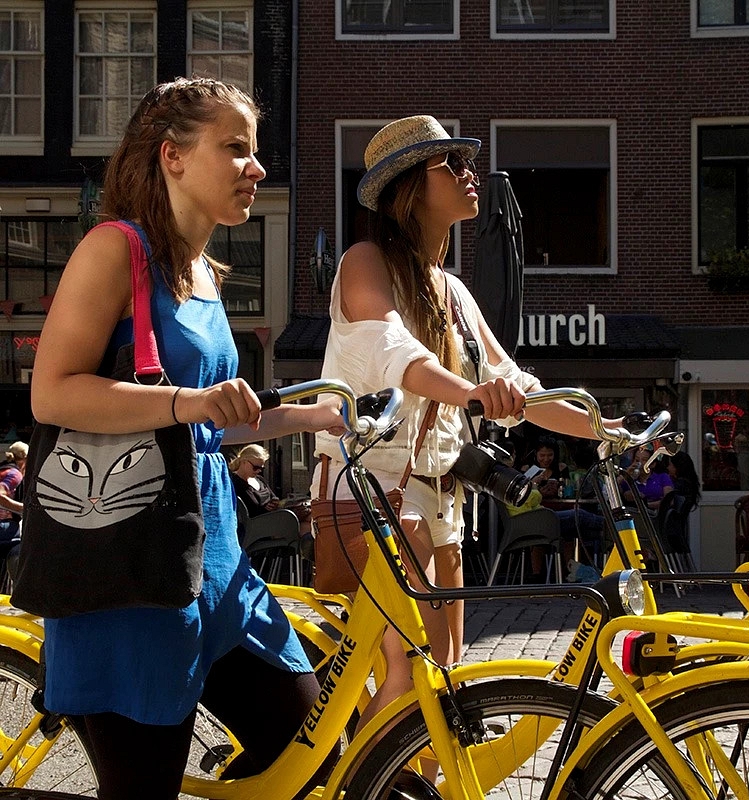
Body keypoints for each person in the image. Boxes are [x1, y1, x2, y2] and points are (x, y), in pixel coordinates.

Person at [29, 77, 345, 800]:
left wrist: (313, 416)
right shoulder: (115, 249)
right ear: (172, 156)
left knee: (311, 751)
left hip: (216, 558)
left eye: (254, 151)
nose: (255, 167)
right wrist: (186, 401)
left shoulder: (204, 271)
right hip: (133, 562)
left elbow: (209, 421)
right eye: (235, 148)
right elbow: (53, 391)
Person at [313, 114, 626, 727]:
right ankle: (361, 776)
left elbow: (519, 386)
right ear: (408, 188)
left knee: (447, 674)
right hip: (374, 488)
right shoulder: (365, 261)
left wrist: (606, 427)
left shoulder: (453, 292)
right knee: (409, 678)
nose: (469, 172)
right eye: (451, 164)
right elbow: (398, 353)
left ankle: (417, 775)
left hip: (441, 497)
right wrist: (473, 392)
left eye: (467, 161)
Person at [0, 441, 27, 541]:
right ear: (25, 459)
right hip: (3, 524)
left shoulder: (3, 469)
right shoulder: (15, 474)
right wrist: (23, 508)